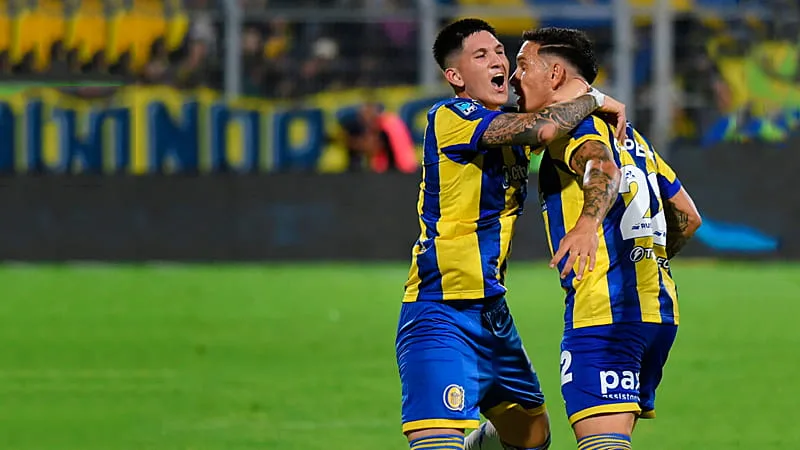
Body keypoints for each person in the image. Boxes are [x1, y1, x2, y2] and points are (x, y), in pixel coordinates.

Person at [396, 18, 629, 450]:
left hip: (493, 314)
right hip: (442, 310)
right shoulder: (451, 117)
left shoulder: (508, 124)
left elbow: (549, 124)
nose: (498, 62)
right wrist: (594, 97)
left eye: (500, 52)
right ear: (455, 76)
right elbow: (545, 128)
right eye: (481, 55)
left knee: (532, 436)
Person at [508, 27, 702, 449]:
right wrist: (643, 256)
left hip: (604, 315)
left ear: (555, 74)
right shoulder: (633, 138)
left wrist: (586, 225)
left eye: (523, 66)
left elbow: (602, 168)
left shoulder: (576, 130)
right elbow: (688, 218)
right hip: (658, 314)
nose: (513, 78)